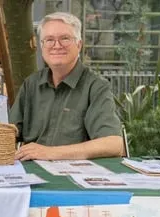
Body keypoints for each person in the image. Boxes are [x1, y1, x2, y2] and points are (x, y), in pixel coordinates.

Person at [11, 12, 124, 161]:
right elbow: (9, 131)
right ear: (42, 46)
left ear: (79, 44)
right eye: (49, 40)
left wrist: (50, 152)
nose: (56, 46)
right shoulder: (31, 84)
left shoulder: (96, 86)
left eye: (64, 38)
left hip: (75, 178)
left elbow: (113, 144)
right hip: (32, 174)